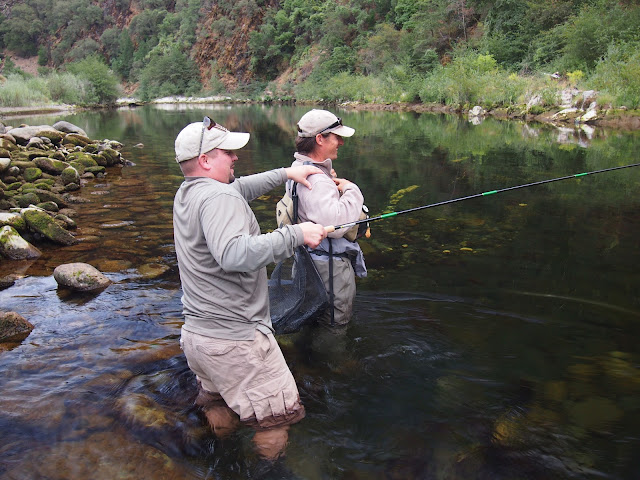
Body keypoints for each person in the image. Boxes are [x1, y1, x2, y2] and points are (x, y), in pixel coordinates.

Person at [172, 117, 327, 463]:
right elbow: (234, 254)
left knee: (219, 403)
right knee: (274, 420)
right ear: (205, 160)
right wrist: (297, 234)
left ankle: (223, 459)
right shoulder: (217, 200)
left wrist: (287, 174)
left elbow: (237, 189)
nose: (236, 157)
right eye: (228, 153)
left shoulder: (189, 193)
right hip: (237, 343)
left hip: (199, 341)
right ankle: (266, 470)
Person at [288, 109, 367, 328]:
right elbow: (338, 225)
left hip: (307, 263)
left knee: (308, 320)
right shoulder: (317, 180)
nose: (341, 142)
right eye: (337, 137)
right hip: (328, 271)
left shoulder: (297, 169)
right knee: (334, 325)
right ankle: (333, 361)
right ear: (320, 139)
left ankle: (305, 358)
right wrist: (352, 189)